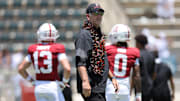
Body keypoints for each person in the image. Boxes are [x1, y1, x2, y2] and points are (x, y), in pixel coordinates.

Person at [18, 23, 71, 101]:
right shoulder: (57, 48)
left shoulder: (33, 49)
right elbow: (67, 69)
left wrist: (32, 81)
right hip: (53, 86)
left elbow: (21, 69)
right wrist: (64, 82)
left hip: (39, 87)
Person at [75, 3, 112, 101]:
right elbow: (80, 61)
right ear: (88, 16)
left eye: (100, 13)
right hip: (92, 86)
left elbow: (103, 60)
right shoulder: (84, 35)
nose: (99, 16)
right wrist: (85, 81)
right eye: (96, 13)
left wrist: (112, 78)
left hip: (100, 87)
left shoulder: (98, 35)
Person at [105, 24, 141, 101]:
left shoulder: (107, 49)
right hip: (125, 89)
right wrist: (138, 94)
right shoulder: (134, 52)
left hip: (111, 88)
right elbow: (136, 76)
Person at [134, 34, 156, 101]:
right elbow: (154, 73)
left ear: (138, 43)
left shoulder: (137, 54)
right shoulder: (151, 55)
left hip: (139, 86)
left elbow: (135, 73)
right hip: (149, 85)